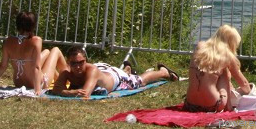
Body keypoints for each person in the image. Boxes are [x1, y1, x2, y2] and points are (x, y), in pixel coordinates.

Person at [0, 11, 67, 95]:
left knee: (47, 52)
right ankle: (66, 79)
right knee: (55, 50)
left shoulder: (8, 41)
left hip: (18, 82)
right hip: (36, 83)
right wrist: (38, 90)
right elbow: (36, 67)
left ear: (17, 25)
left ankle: (58, 79)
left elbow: (3, 66)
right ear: (33, 26)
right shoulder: (36, 41)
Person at [51, 46, 179, 98]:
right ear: (68, 63)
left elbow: (84, 95)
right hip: (104, 71)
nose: (78, 66)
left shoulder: (92, 70)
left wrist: (66, 92)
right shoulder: (67, 72)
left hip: (116, 77)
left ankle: (163, 72)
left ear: (86, 61)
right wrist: (71, 91)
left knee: (141, 81)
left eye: (81, 62)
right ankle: (126, 69)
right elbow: (55, 90)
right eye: (74, 63)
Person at [184, 24, 253, 112]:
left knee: (212, 74)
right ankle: (229, 107)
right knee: (224, 71)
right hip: (213, 105)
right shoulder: (228, 56)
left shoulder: (200, 46)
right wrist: (251, 93)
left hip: (190, 104)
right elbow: (244, 85)